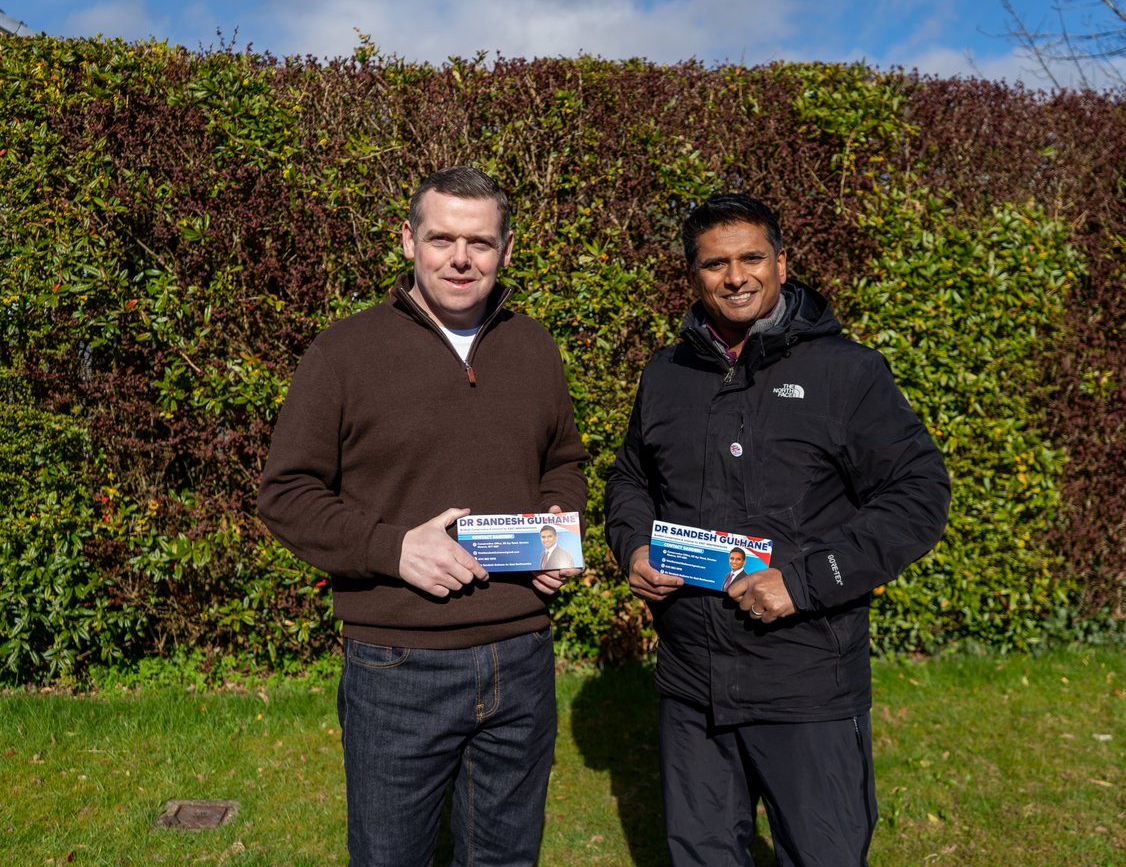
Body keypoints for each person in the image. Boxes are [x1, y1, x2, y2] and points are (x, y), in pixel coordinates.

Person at [605, 193, 950, 867]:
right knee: (701, 855)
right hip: (691, 681)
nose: (736, 276)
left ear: (782, 263)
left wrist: (806, 580)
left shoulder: (847, 373)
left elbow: (919, 493)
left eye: (752, 258)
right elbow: (630, 480)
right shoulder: (666, 375)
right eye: (716, 264)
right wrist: (633, 544)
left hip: (807, 677)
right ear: (694, 275)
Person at [258, 166, 587, 867]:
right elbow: (286, 493)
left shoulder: (534, 346)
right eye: (441, 239)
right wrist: (391, 548)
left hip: (522, 656)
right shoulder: (342, 353)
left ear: (506, 249)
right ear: (407, 240)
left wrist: (558, 531)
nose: (461, 259)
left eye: (480, 242)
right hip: (398, 665)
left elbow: (563, 459)